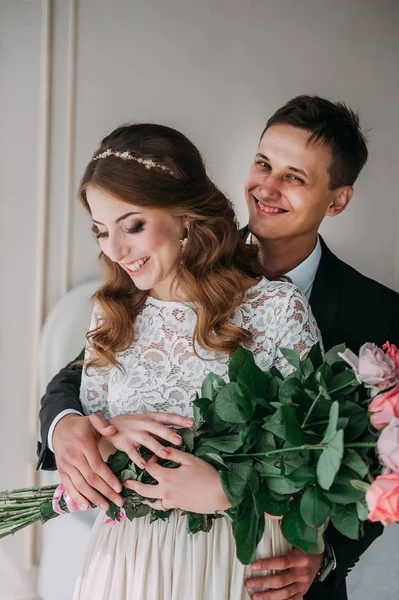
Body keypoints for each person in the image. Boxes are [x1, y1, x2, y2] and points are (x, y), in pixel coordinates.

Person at [37, 96, 399, 600]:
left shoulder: (379, 314)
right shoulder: (163, 272)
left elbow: (376, 461)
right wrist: (69, 426)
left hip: (264, 569)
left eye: (295, 177)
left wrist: (324, 552)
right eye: (263, 164)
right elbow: (82, 380)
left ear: (337, 200)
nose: (267, 189)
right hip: (132, 564)